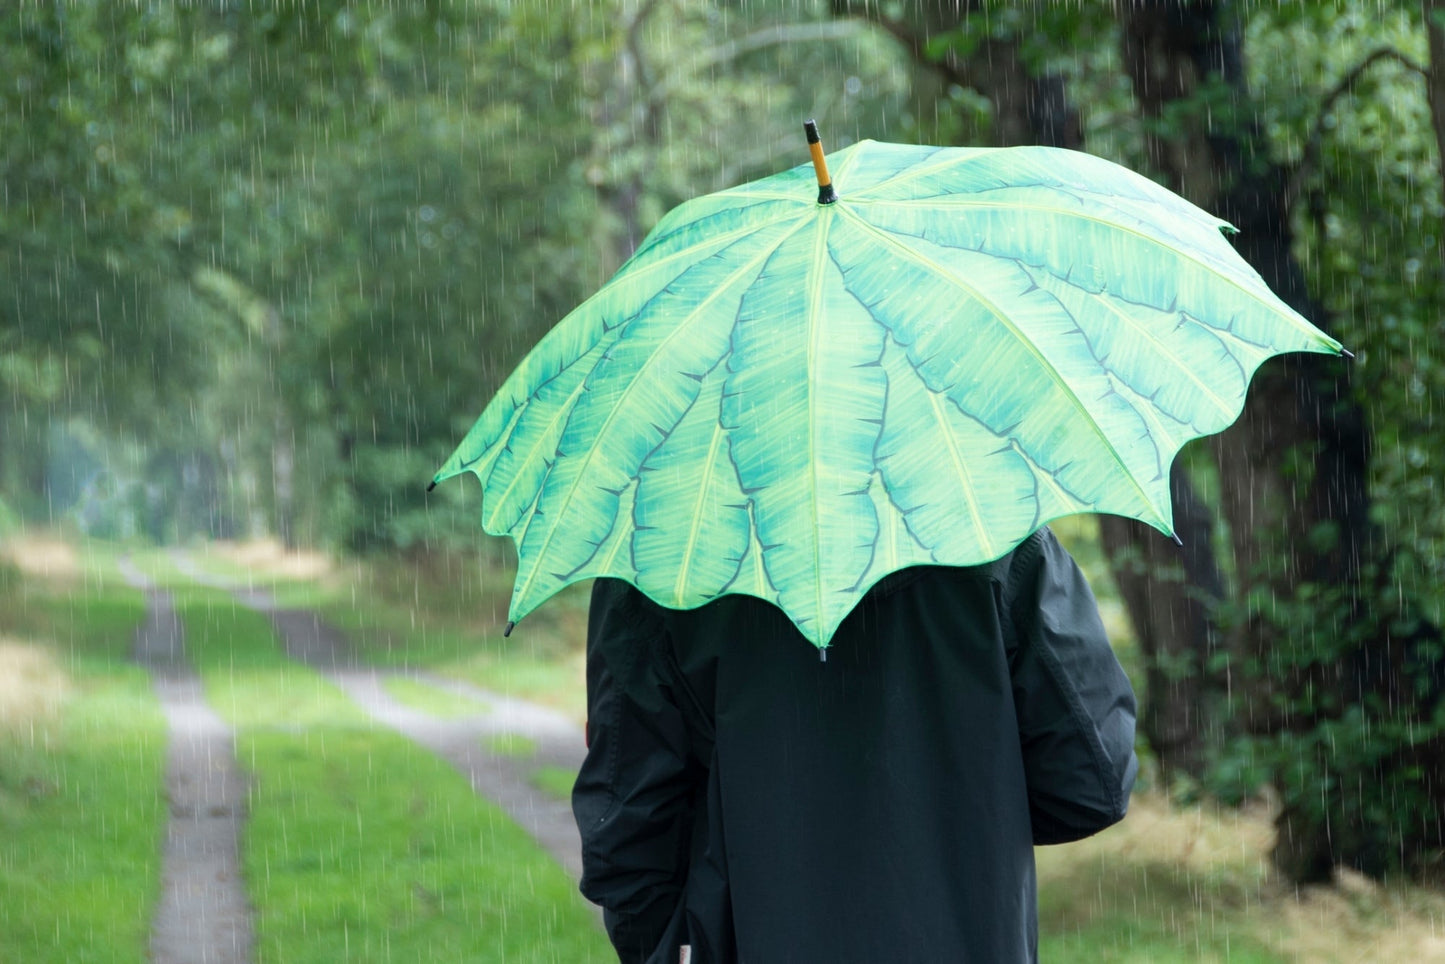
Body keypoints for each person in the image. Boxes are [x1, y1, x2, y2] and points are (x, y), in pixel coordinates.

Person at [573, 526, 1138, 963]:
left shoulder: (656, 556)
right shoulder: (996, 535)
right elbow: (1090, 784)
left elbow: (626, 844)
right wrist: (954, 821)